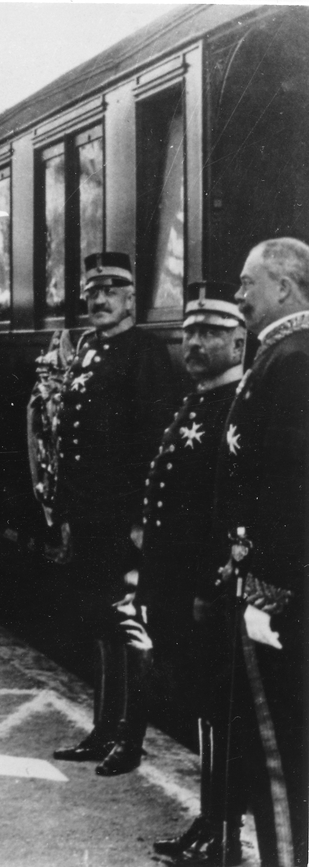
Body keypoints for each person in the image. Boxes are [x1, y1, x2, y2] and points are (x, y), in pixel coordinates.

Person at [50, 252, 178, 776]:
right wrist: (65, 510)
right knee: (101, 622)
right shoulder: (89, 349)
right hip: (89, 514)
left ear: (130, 298)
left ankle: (130, 739)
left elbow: (156, 445)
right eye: (92, 292)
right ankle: (103, 729)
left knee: (129, 626)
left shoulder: (145, 353)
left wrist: (143, 520)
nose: (99, 300)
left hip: (123, 518)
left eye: (110, 291)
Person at [137, 281, 247, 864]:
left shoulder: (235, 406)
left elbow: (229, 512)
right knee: (202, 707)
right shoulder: (199, 399)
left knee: (217, 712)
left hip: (203, 591)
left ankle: (219, 832)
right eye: (190, 333)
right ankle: (211, 824)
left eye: (210, 333)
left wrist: (208, 587)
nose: (195, 343)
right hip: (176, 587)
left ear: (239, 343)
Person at [214, 238, 309, 867]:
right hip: (267, 577)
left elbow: (290, 488)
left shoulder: (293, 359)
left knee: (280, 749)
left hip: (276, 592)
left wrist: (266, 590)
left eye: (248, 283)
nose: (239, 295)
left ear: (284, 286)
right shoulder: (281, 352)